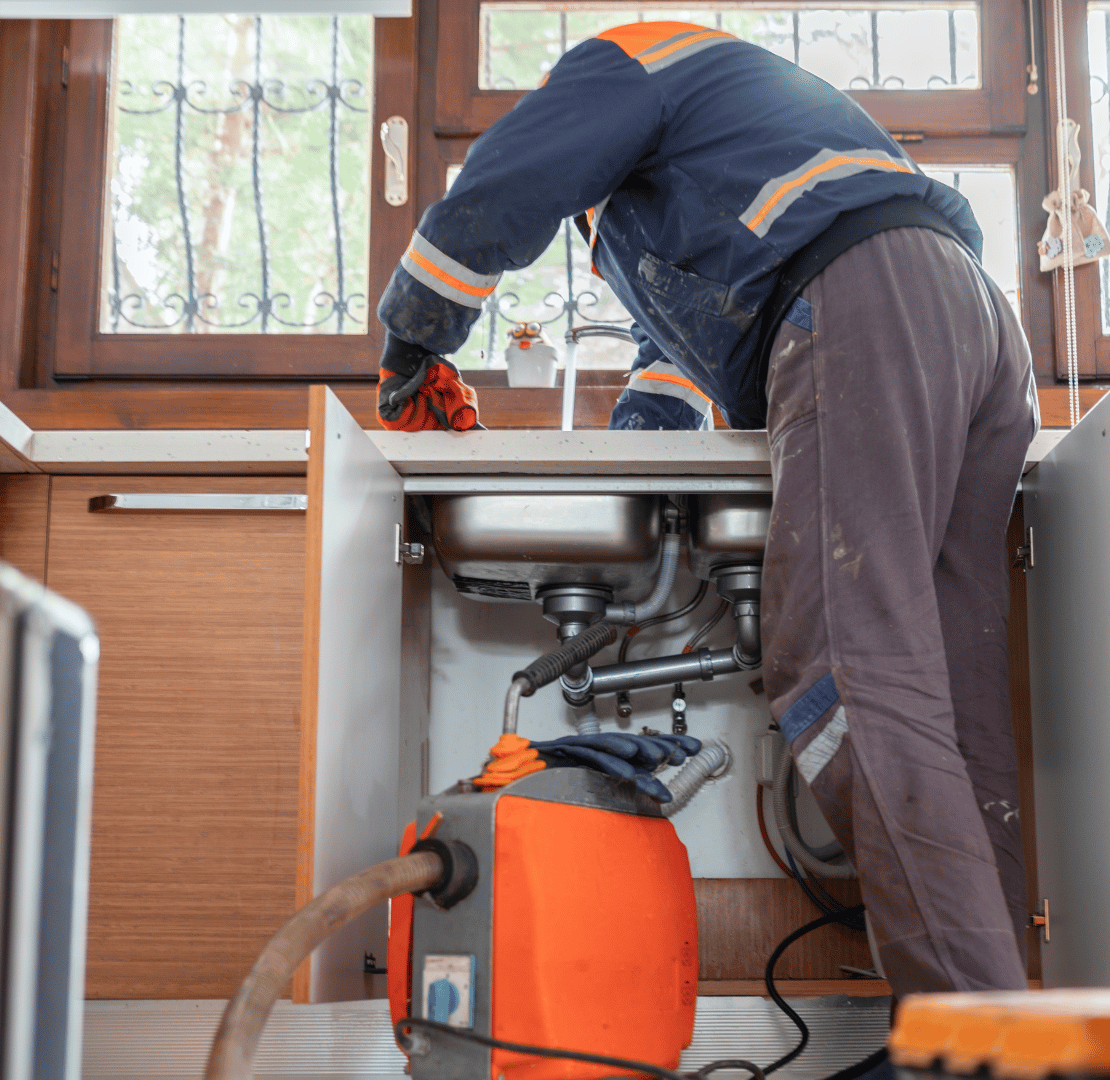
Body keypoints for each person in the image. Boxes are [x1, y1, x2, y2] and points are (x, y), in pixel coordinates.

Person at [372, 21, 1039, 993]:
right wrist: (633, 455)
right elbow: (675, 377)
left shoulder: (616, 66)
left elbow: (506, 180)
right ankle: (1013, 1022)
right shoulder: (719, 164)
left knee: (845, 675)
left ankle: (968, 1038)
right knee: (950, 701)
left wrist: (414, 343)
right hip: (964, 317)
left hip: (866, 306)